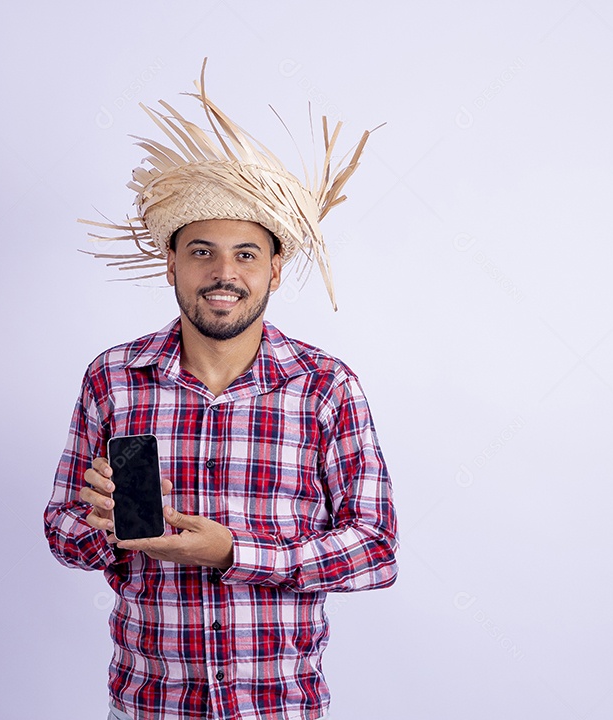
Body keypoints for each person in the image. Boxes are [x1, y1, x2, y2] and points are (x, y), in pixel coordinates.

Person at [44, 61, 397, 720]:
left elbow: (375, 550)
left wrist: (233, 554)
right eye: (202, 251)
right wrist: (115, 528)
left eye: (246, 253)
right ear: (171, 261)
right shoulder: (116, 378)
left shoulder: (324, 387)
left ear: (275, 269)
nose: (223, 272)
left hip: (276, 707)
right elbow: (63, 532)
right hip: (149, 704)